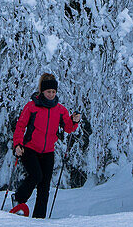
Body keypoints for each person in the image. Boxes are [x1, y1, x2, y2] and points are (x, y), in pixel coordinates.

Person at [9, 72, 81, 218]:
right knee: (36, 175)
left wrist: (74, 120)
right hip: (29, 149)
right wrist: (17, 144)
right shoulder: (31, 107)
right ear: (42, 91)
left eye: (53, 91)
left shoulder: (60, 110)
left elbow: (68, 128)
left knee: (45, 186)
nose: (51, 94)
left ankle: (39, 218)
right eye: (48, 91)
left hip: (48, 151)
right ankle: (18, 199)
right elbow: (20, 126)